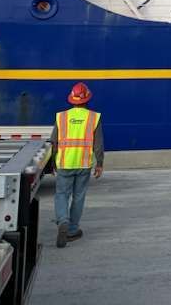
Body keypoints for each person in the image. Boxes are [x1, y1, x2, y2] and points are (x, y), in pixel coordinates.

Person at [50, 82, 104, 248]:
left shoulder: (61, 117)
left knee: (61, 195)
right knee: (78, 196)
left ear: (71, 99)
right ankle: (72, 230)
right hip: (84, 163)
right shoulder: (94, 117)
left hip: (65, 163)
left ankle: (62, 221)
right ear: (87, 99)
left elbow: (54, 142)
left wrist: (52, 162)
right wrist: (99, 164)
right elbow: (98, 144)